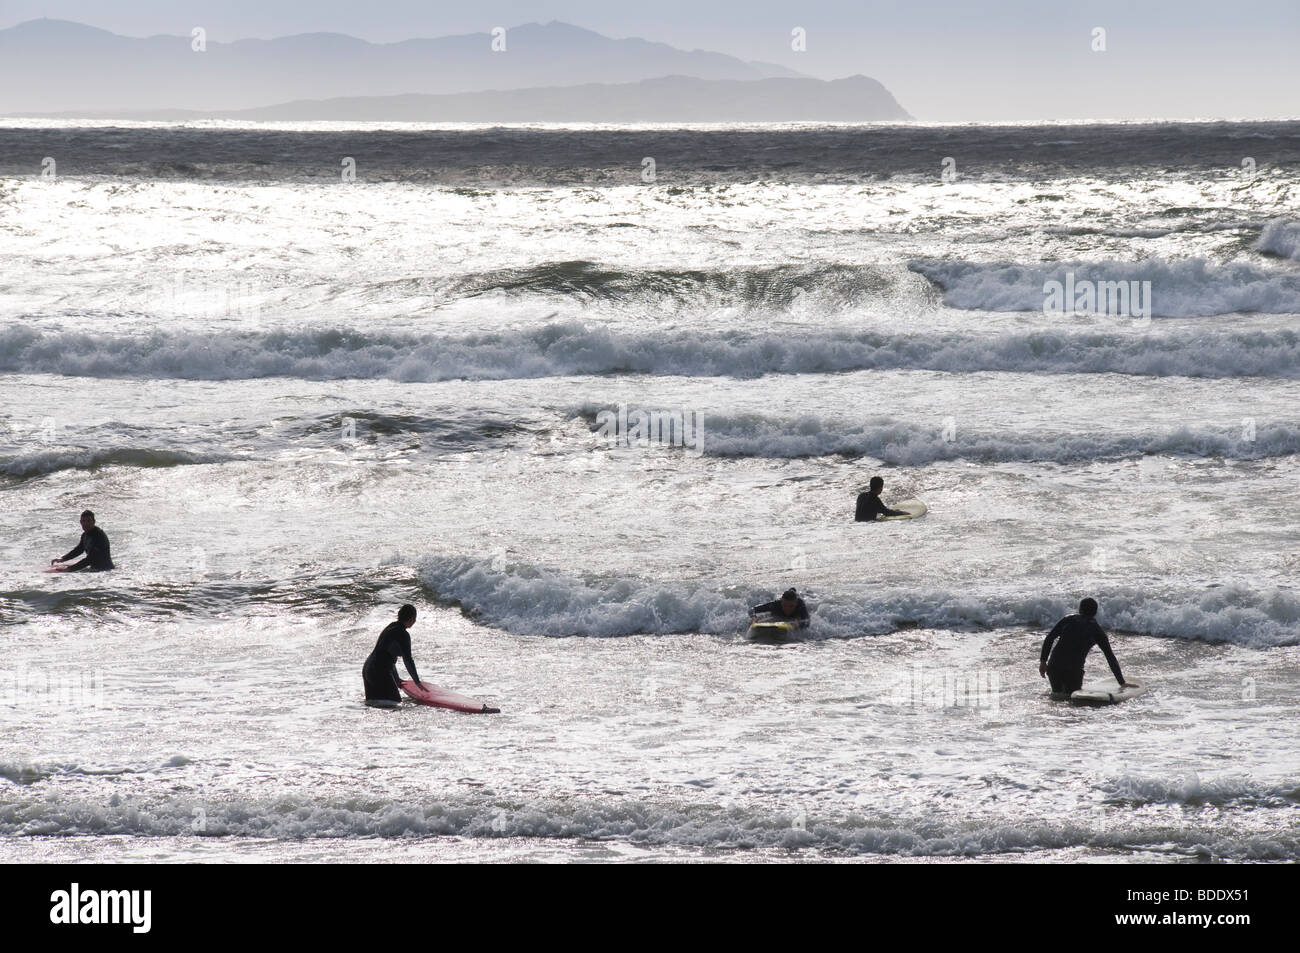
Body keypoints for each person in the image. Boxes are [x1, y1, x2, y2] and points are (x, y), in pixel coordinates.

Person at [1039, 597, 1134, 698]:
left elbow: (1049, 638)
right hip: (1073, 671)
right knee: (1072, 700)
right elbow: (1110, 657)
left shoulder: (1068, 619)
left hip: (1054, 667)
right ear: (1095, 613)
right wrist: (1121, 682)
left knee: (1057, 696)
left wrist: (1043, 661)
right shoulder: (1097, 631)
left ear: (1080, 610)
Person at [363, 604, 424, 706]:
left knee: (373, 705)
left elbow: (387, 656)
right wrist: (417, 682)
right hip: (379, 671)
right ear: (412, 618)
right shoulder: (403, 634)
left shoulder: (391, 627)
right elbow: (408, 660)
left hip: (368, 669)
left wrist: (396, 679)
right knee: (394, 704)